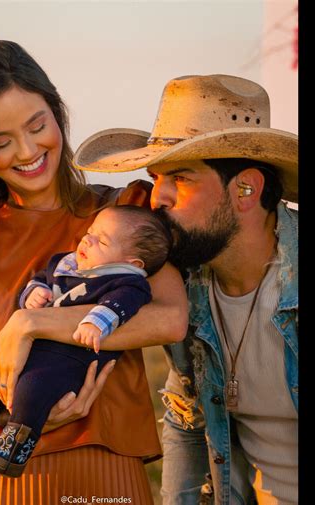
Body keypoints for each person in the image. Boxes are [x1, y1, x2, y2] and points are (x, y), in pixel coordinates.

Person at [0, 40, 189, 504]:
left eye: (37, 126)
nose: (28, 151)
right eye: (1, 141)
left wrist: (32, 322)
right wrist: (12, 412)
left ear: (58, 113)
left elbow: (170, 318)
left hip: (103, 477)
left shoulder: (121, 217)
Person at [73, 74, 298, 505]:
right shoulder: (188, 284)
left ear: (247, 190)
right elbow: (188, 420)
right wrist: (28, 323)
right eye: (156, 177)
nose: (158, 198)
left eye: (180, 177)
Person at [0, 204, 172, 478]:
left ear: (132, 263)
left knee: (34, 386)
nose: (87, 240)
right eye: (90, 232)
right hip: (37, 351)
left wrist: (95, 323)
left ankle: (12, 451)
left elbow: (121, 305)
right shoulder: (66, 264)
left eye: (101, 240)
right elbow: (41, 279)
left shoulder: (126, 283)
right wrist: (35, 293)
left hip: (71, 361)